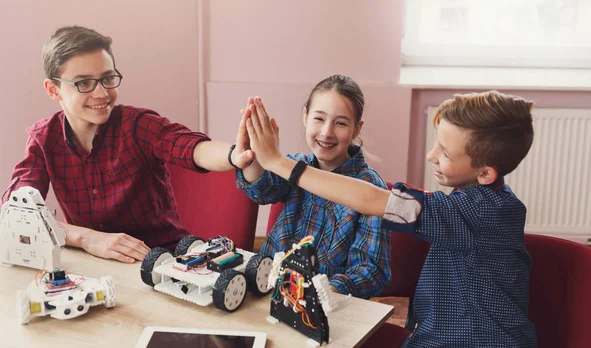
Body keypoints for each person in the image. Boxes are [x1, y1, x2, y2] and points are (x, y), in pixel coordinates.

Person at [243, 91, 537, 347]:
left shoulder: (483, 213)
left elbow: (374, 200)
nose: (431, 155)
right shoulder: (475, 202)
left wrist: (278, 162)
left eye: (445, 152)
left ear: (485, 173)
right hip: (435, 333)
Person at [3, 26, 254, 264]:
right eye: (84, 83)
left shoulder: (138, 125)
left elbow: (191, 147)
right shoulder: (43, 139)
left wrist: (234, 154)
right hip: (95, 263)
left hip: (162, 260)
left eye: (107, 78)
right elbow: (15, 214)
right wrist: (86, 237)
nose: (101, 93)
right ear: (53, 89)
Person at [236, 75, 390, 299]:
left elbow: (372, 271)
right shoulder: (294, 165)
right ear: (305, 116)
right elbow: (261, 189)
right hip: (269, 291)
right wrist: (252, 155)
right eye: (319, 118)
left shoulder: (370, 188)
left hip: (324, 306)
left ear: (357, 129)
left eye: (340, 123)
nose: (327, 132)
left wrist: (323, 292)